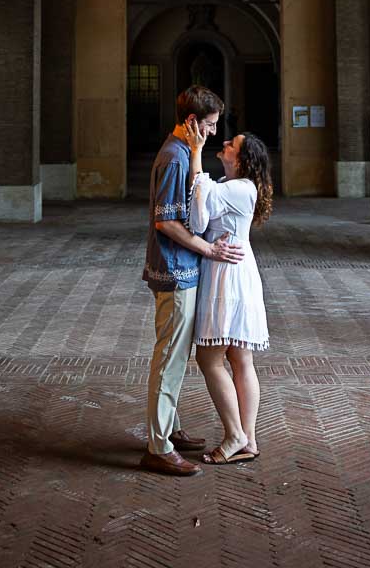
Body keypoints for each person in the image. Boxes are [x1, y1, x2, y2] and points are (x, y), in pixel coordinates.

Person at [140, 85, 245, 477]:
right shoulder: (174, 157)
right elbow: (165, 221)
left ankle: (167, 427)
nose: (215, 133)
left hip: (183, 269)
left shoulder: (186, 152)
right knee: (169, 358)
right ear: (191, 122)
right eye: (211, 125)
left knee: (176, 356)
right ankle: (158, 445)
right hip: (175, 270)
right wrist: (208, 249)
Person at [184, 121, 273, 465]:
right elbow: (202, 216)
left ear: (244, 159)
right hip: (233, 269)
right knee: (239, 359)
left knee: (209, 358)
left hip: (228, 275)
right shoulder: (227, 185)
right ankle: (247, 440)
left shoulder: (240, 188)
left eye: (232, 143)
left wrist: (195, 152)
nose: (224, 143)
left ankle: (235, 434)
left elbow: (194, 222)